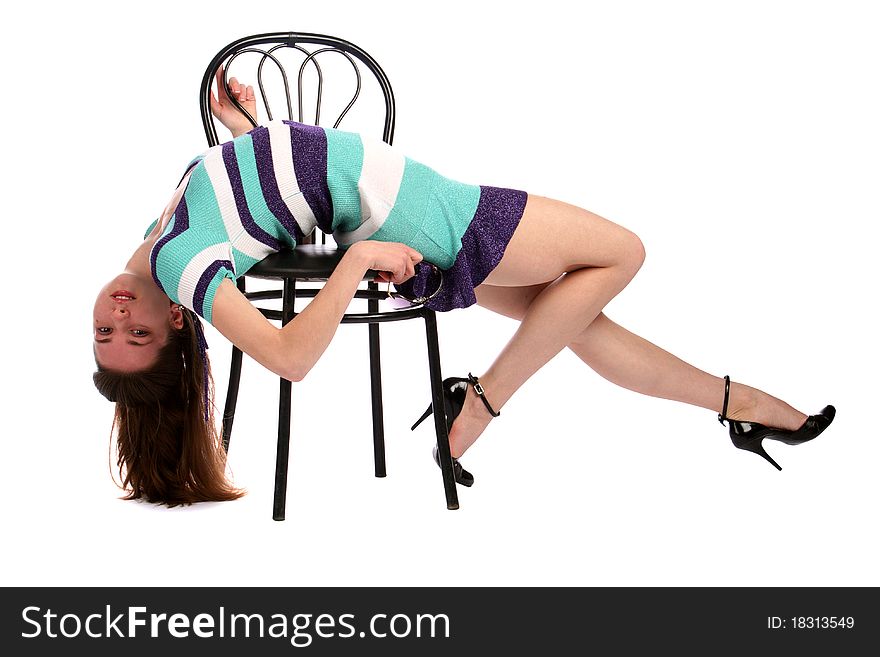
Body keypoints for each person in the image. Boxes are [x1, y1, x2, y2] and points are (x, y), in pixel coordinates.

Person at [92, 68, 835, 505]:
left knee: (577, 322)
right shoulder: (178, 267)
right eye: (139, 336)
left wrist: (246, 123)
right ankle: (477, 405)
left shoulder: (156, 239)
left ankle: (744, 406)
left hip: (398, 203)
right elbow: (288, 357)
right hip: (420, 211)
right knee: (622, 252)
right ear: (180, 323)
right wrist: (354, 265)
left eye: (107, 332)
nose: (122, 317)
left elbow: (274, 188)